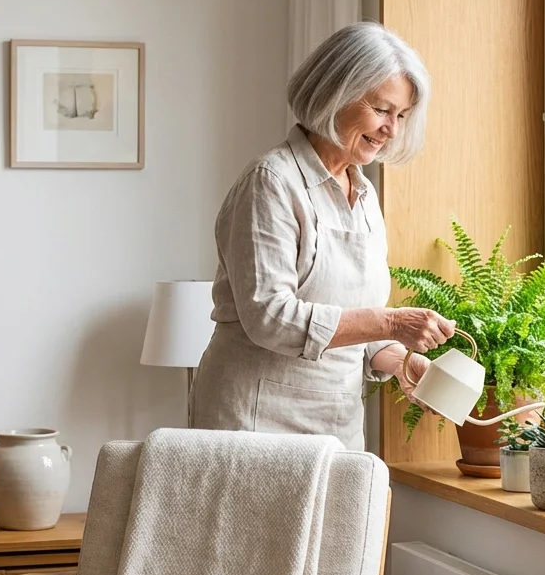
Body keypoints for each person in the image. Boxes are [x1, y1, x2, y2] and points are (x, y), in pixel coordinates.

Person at [189, 22, 453, 452]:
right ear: (337, 92)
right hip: (253, 421)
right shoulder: (271, 181)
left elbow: (353, 324)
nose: (391, 129)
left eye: (401, 116)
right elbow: (270, 317)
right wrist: (391, 322)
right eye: (383, 110)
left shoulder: (364, 194)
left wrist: (403, 364)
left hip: (337, 426)